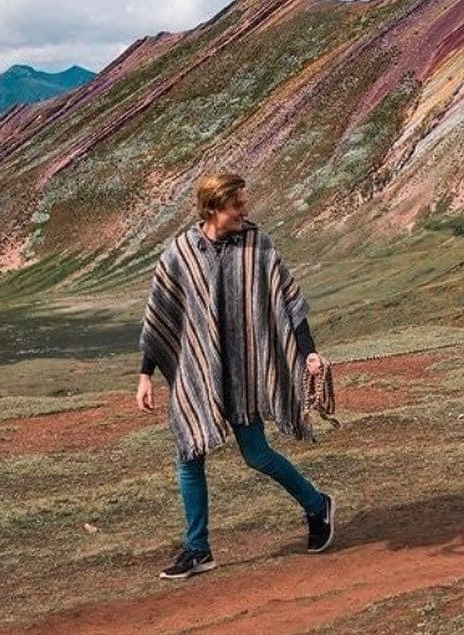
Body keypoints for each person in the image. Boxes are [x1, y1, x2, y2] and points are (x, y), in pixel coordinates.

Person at [136, 172, 335, 579]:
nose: (245, 211)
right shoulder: (180, 254)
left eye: (244, 203)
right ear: (213, 210)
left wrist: (309, 352)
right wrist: (145, 375)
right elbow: (162, 317)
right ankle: (198, 549)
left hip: (242, 373)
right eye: (236, 205)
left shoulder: (258, 248)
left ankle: (318, 506)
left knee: (257, 455)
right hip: (199, 373)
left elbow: (290, 305)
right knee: (189, 456)